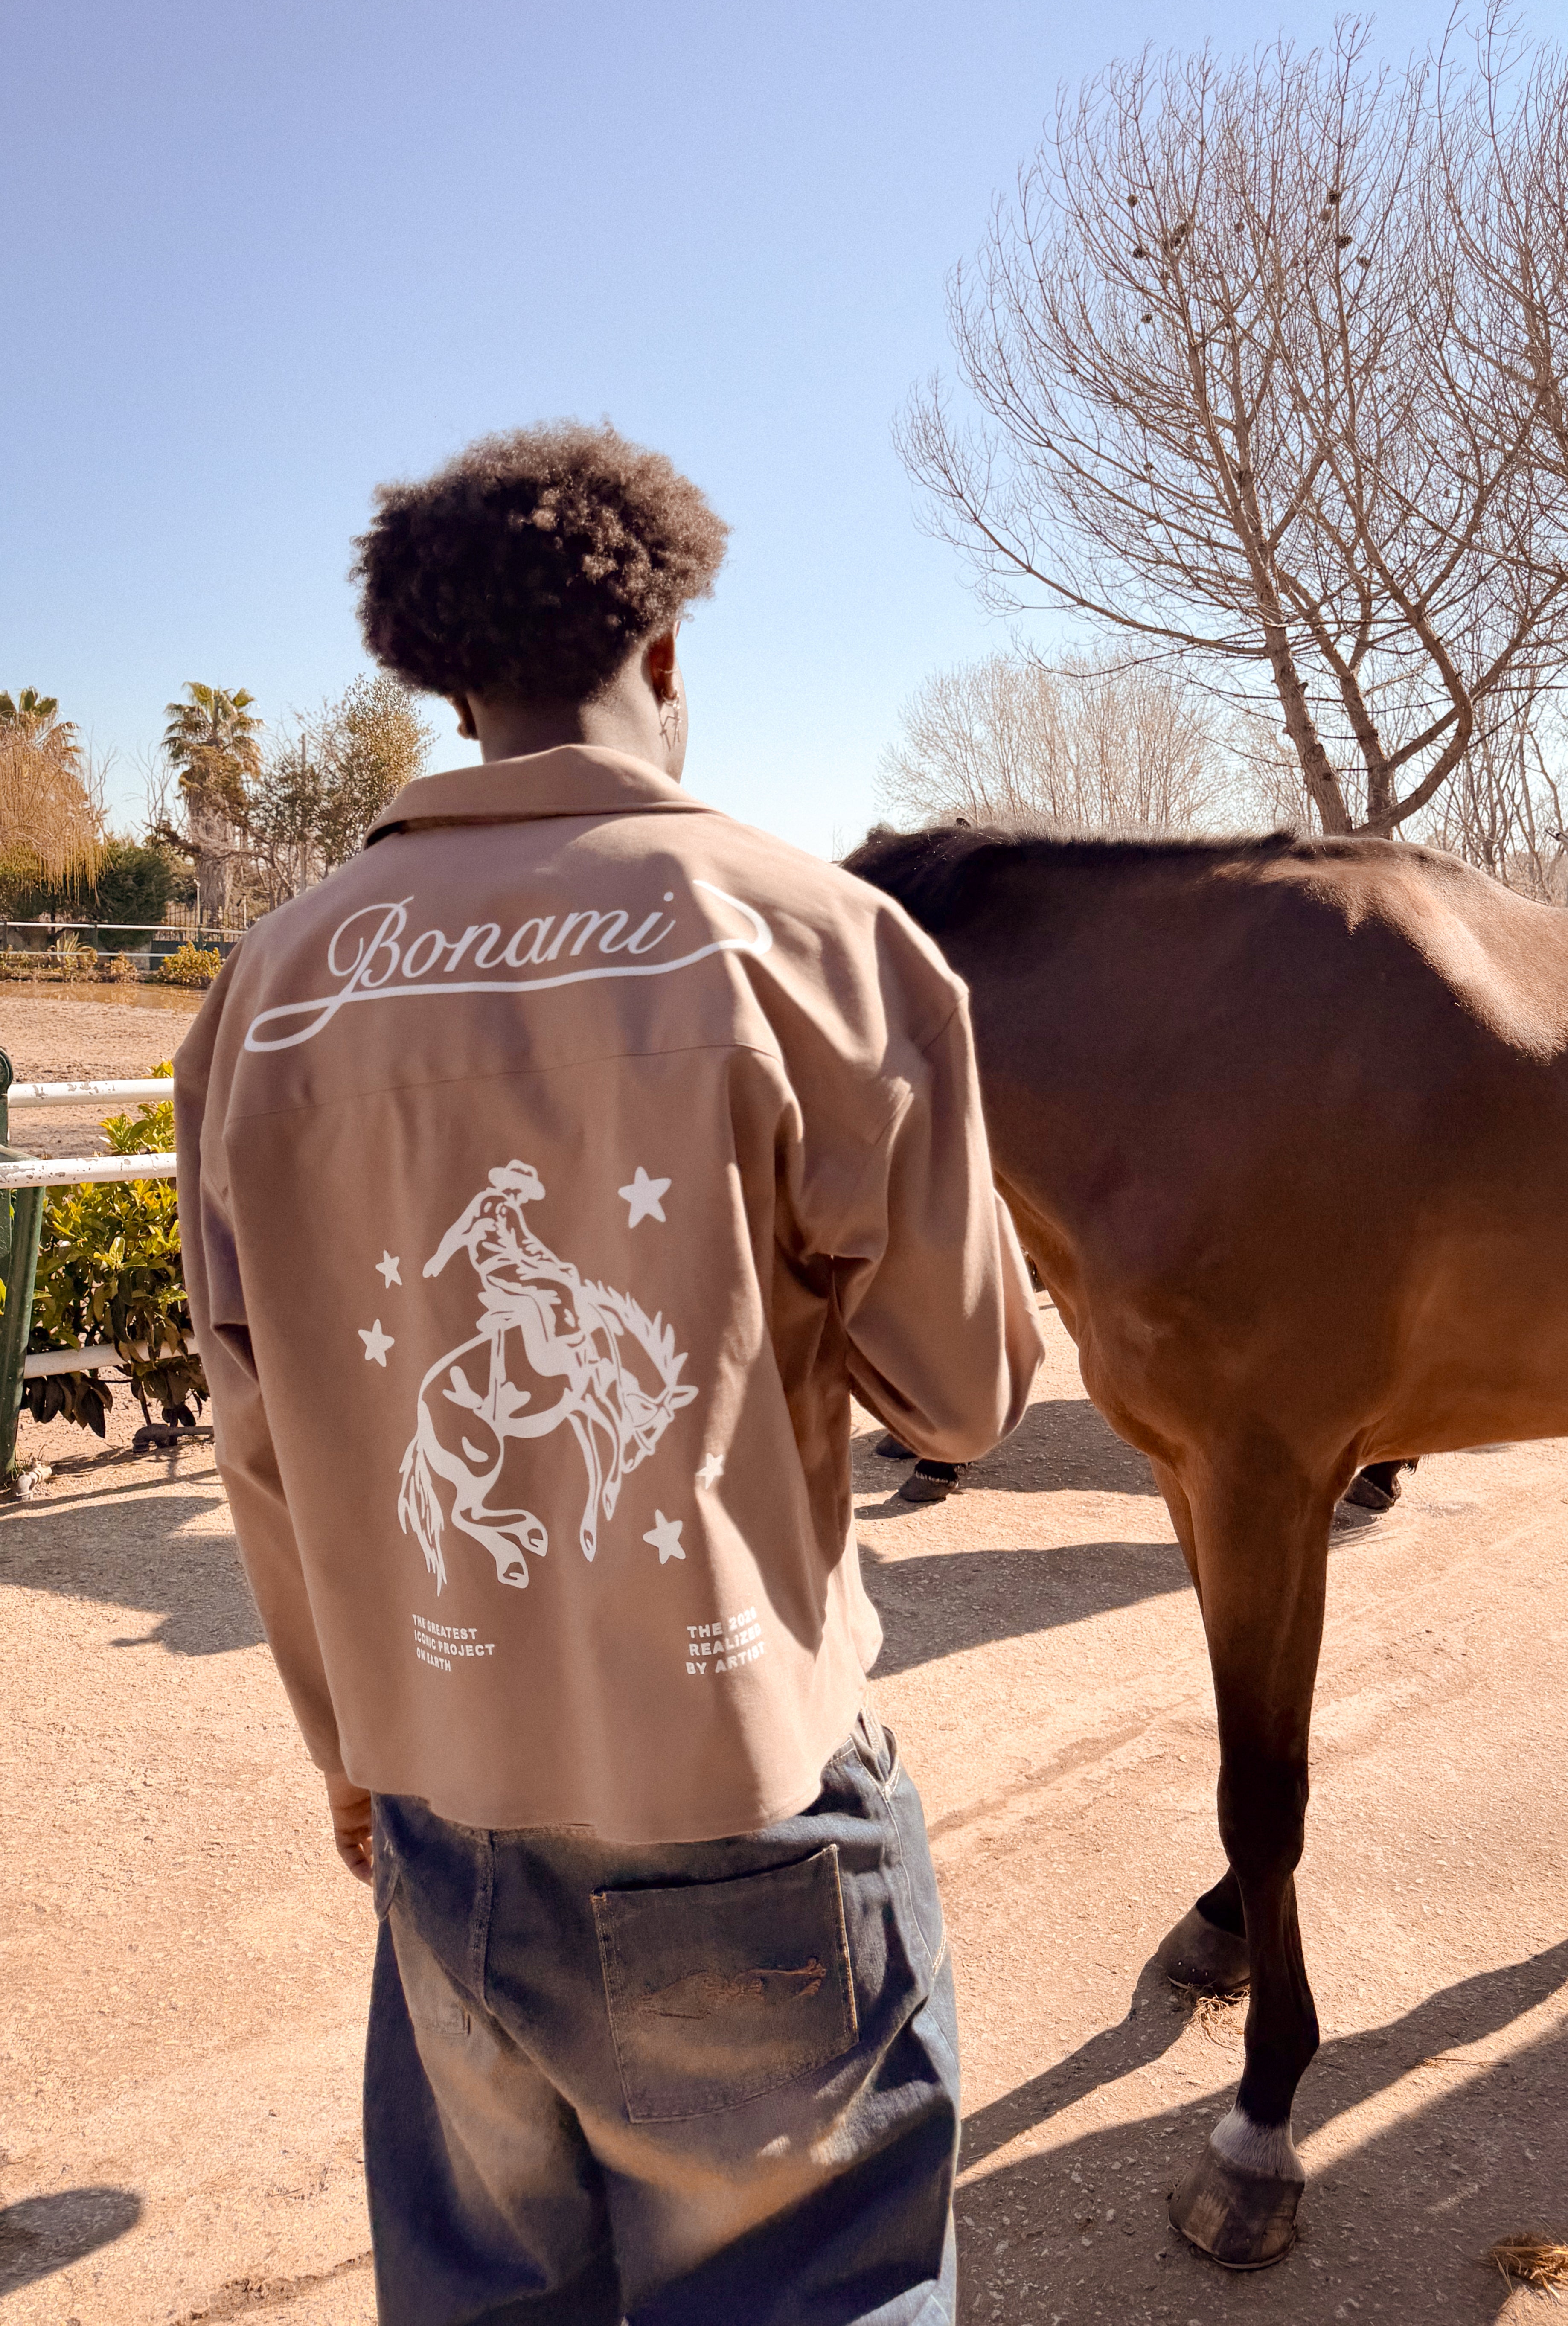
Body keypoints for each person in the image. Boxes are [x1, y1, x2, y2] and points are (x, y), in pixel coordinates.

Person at [175, 419, 1044, 2325]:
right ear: (662, 655)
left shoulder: (268, 987)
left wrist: (352, 1757)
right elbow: (966, 1400)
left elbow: (260, 1440)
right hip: (742, 1807)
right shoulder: (823, 943)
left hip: (437, 1810)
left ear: (442, 681)